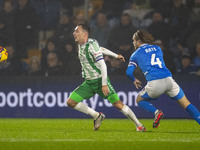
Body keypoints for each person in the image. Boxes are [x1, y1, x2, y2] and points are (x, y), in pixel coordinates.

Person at [67, 24, 146, 131]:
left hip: (100, 81)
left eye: (77, 31)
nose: (74, 33)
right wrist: (115, 55)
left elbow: (103, 65)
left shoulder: (91, 45)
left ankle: (139, 125)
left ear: (84, 34)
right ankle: (97, 116)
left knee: (118, 104)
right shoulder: (83, 44)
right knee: (70, 102)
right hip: (89, 83)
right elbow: (100, 49)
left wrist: (104, 84)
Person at [126, 30, 200, 128]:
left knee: (139, 100)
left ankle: (156, 112)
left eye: (134, 41)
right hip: (169, 80)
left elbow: (128, 73)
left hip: (155, 82)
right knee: (186, 103)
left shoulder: (135, 54)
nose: (133, 43)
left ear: (139, 41)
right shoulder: (157, 48)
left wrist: (134, 80)